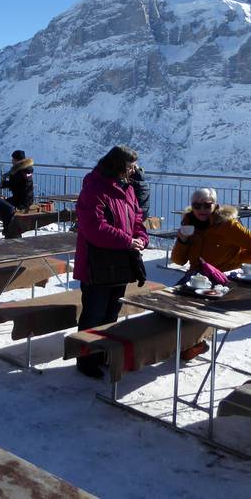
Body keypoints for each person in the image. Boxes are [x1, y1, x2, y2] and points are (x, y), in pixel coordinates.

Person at [74, 145, 149, 378]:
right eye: (130, 166)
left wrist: (141, 238)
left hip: (120, 263)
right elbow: (94, 228)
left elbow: (137, 218)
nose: (134, 170)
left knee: (111, 314)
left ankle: (104, 354)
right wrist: (127, 241)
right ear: (118, 166)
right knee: (94, 315)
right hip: (96, 265)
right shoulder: (94, 188)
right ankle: (86, 359)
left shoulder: (127, 188)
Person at [172, 187, 251, 272]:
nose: (202, 209)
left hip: (223, 276)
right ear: (192, 207)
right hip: (196, 276)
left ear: (215, 206)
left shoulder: (228, 225)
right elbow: (179, 261)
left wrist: (237, 259)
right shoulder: (189, 224)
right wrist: (182, 241)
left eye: (207, 205)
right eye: (197, 206)